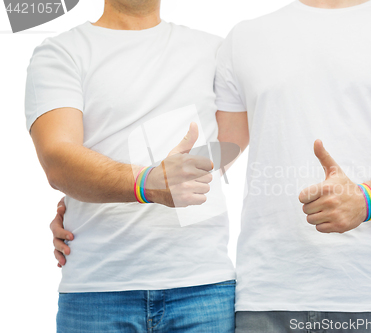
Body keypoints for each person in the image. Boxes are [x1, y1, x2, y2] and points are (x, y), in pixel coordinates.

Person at [51, 0, 371, 332]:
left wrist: (366, 200)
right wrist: (85, 203)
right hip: (265, 301)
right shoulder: (244, 39)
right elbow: (214, 154)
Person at [25, 0, 239, 332]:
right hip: (97, 292)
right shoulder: (62, 52)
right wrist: (147, 182)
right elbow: (57, 159)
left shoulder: (215, 52)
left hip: (204, 286)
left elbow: (236, 138)